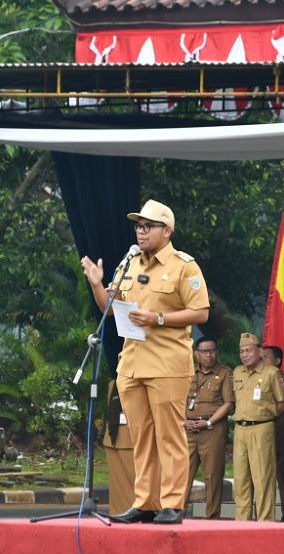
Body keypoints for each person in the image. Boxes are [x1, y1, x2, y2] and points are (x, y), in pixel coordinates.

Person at [80, 199, 210, 525]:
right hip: (132, 363)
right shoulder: (129, 263)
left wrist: (158, 318)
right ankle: (145, 502)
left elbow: (200, 312)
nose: (141, 231)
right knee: (141, 438)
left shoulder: (184, 266)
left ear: (167, 231)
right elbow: (109, 308)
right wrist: (96, 284)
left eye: (148, 226)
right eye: (139, 226)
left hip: (167, 365)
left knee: (170, 437)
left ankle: (172, 503)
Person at [232, 333, 284, 521]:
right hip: (240, 429)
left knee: (263, 478)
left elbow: (282, 402)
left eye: (248, 350)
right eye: (241, 351)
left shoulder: (271, 373)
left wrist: (266, 415)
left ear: (260, 351)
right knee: (241, 479)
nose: (244, 355)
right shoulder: (237, 372)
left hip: (262, 428)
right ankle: (241, 524)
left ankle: (265, 523)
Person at [184, 336, 234, 519]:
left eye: (212, 350)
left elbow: (228, 403)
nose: (209, 355)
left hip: (212, 430)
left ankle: (212, 518)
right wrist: (183, 421)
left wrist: (209, 422)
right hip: (189, 429)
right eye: (204, 351)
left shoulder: (224, 373)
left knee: (212, 476)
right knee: (182, 475)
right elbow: (178, 399)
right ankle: (176, 514)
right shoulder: (188, 372)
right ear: (196, 354)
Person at [263, 344, 284, 521]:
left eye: (265, 357)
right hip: (259, 437)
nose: (261, 360)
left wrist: (266, 414)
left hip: (281, 437)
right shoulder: (255, 378)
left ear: (277, 361)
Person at [102, 379, 135, 516]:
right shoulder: (113, 384)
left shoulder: (144, 382)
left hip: (133, 439)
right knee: (118, 491)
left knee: (137, 485)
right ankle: (118, 517)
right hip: (113, 437)